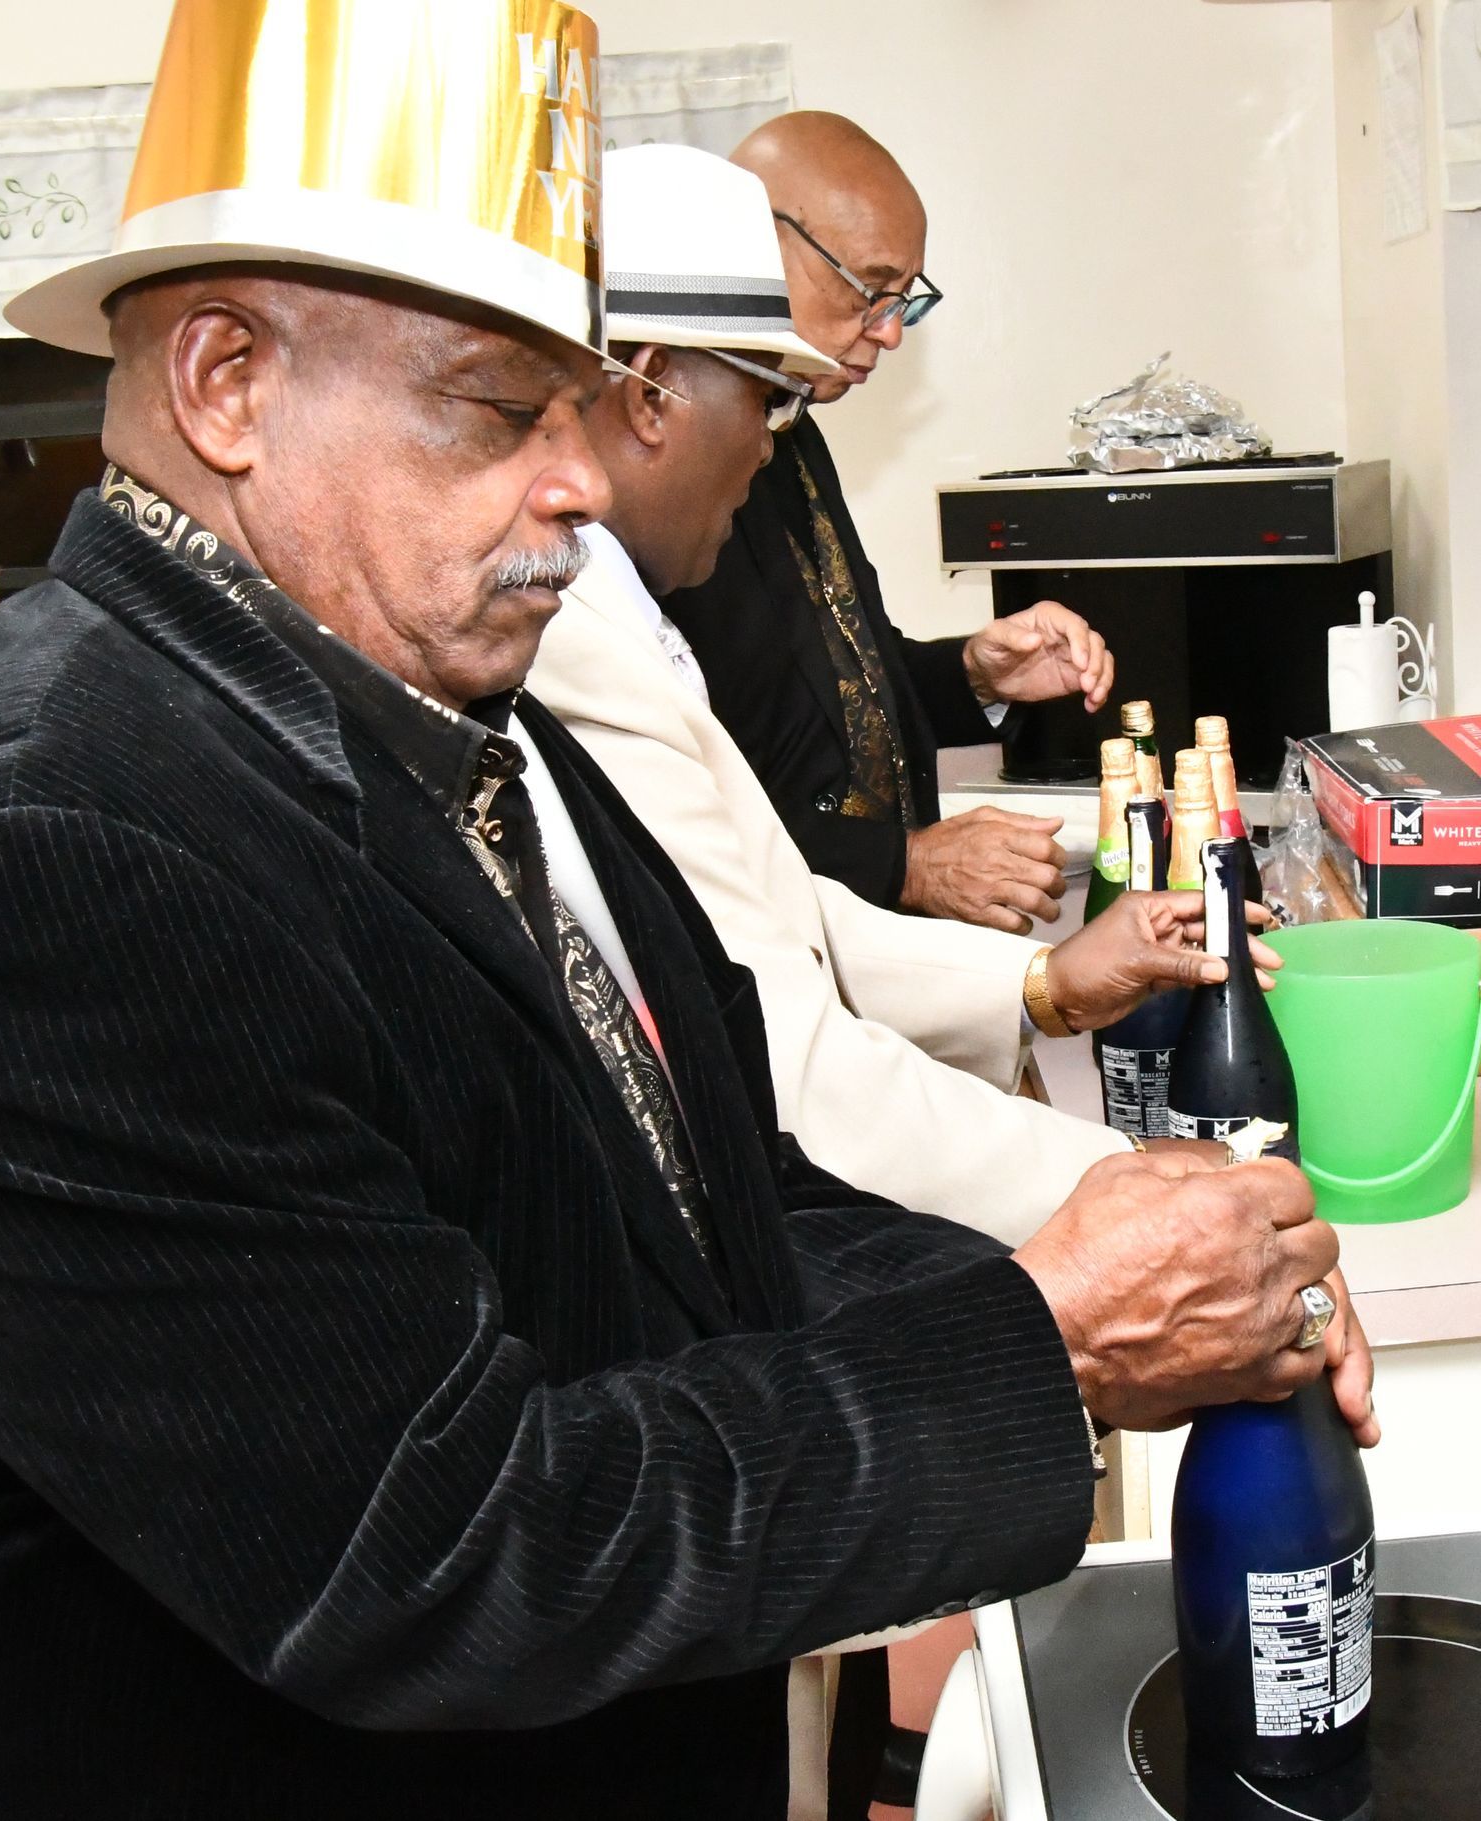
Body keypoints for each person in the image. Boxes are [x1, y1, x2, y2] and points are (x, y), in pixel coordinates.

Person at [0, 7, 1370, 1819]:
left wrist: (1159, 1268)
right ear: (226, 382)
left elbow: (710, 1223)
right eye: (499, 409)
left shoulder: (457, 718)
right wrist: (1052, 1334)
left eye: (579, 402)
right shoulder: (41, 849)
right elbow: (442, 1550)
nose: (586, 481)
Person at [529, 141, 1317, 1821]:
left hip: (771, 1240)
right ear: (647, 389)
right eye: (772, 388)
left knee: (808, 1690)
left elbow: (774, 911)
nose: (789, 428)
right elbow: (784, 1039)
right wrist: (1141, 1197)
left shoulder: (674, 557)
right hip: (727, 1277)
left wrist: (1042, 983)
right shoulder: (566, 622)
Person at [664, 112, 1110, 932]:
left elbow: (839, 688)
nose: (892, 331)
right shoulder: (667, 471)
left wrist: (975, 674)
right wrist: (905, 865)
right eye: (869, 290)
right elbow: (678, 805)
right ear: (760, 241)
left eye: (905, 300)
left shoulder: (796, 429)